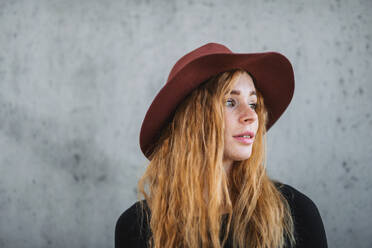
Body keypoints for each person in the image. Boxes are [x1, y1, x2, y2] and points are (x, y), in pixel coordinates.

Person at [115, 43, 328, 248]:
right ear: (191, 119)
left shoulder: (294, 213)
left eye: (253, 104)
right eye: (230, 102)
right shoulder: (137, 227)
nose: (251, 116)